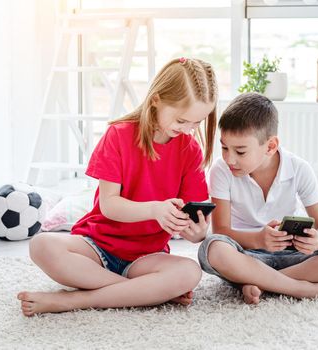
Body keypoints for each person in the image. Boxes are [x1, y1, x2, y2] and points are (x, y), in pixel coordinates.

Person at [18, 57, 218, 316]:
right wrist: (155, 210)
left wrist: (197, 233)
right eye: (181, 121)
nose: (189, 129)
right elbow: (109, 205)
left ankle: (74, 301)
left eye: (196, 123)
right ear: (156, 99)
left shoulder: (189, 151)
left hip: (146, 258)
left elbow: (194, 224)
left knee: (189, 272)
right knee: (41, 245)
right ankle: (139, 292)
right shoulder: (119, 135)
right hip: (97, 247)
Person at [198, 92, 318, 305]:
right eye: (224, 147)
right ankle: (303, 289)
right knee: (213, 248)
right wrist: (258, 240)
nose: (229, 158)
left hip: (293, 256)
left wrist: (317, 239)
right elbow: (221, 231)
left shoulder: (299, 168)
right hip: (245, 254)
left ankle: (260, 283)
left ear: (271, 146)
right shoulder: (221, 170)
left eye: (240, 151)